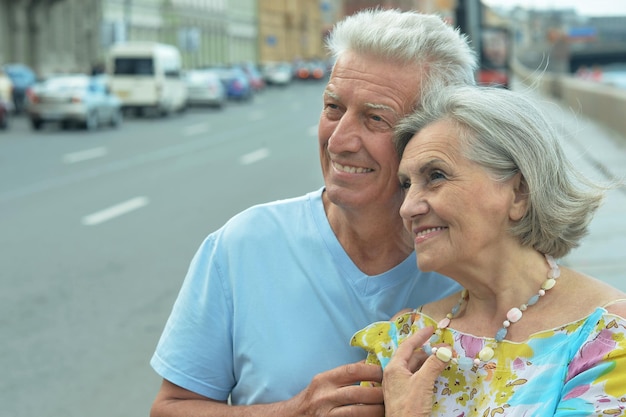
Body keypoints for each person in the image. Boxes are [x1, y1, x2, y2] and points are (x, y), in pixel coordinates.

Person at [149, 8, 477, 417]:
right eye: (333, 108)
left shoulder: (475, 267)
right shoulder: (242, 245)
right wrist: (291, 411)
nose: (338, 141)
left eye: (375, 118)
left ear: (435, 137)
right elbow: (172, 408)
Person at [351, 85, 626, 416]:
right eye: (407, 184)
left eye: (435, 176)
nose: (408, 207)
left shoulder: (606, 340)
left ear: (519, 192)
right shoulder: (403, 340)